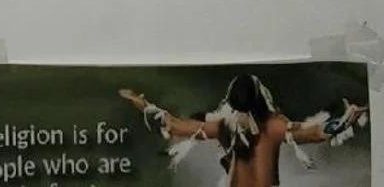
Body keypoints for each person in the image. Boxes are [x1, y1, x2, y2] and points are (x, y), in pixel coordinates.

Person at [120, 74, 367, 185]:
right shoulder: (273, 126)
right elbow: (315, 133)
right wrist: (347, 120)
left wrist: (143, 104)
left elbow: (172, 124)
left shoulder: (223, 126)